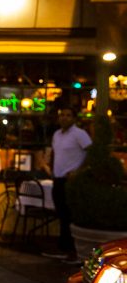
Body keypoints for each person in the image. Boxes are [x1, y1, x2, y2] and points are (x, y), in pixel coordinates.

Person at [41, 106, 91, 262]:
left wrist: (79, 171)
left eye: (68, 115)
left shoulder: (79, 134)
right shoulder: (57, 134)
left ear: (74, 118)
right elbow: (56, 153)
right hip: (58, 178)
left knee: (70, 215)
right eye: (62, 114)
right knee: (62, 214)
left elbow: (91, 152)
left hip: (72, 180)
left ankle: (73, 251)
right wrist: (51, 167)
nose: (64, 118)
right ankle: (64, 249)